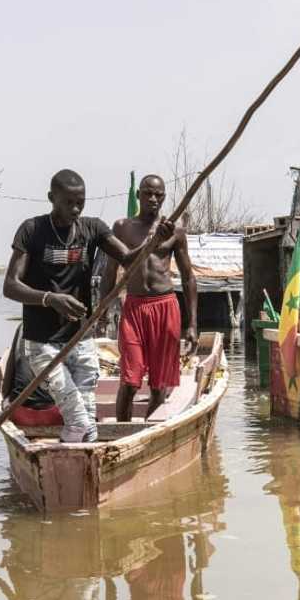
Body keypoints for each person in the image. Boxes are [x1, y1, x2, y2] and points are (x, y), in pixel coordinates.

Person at [3, 169, 174, 442]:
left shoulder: (92, 229)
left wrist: (153, 242)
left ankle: (77, 463)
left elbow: (129, 259)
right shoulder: (31, 230)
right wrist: (50, 298)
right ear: (51, 198)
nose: (75, 209)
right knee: (80, 419)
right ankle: (75, 452)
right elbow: (10, 286)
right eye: (67, 202)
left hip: (80, 338)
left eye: (80, 202)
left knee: (86, 421)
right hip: (43, 342)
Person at [99, 174, 197, 422]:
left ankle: (149, 432)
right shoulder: (122, 227)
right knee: (130, 381)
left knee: (158, 385)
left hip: (165, 307)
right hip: (133, 309)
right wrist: (101, 311)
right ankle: (120, 434)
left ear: (164, 197)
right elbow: (110, 271)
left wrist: (193, 324)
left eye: (158, 194)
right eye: (147, 193)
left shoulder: (175, 231)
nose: (153, 198)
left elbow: (188, 278)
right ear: (138, 195)